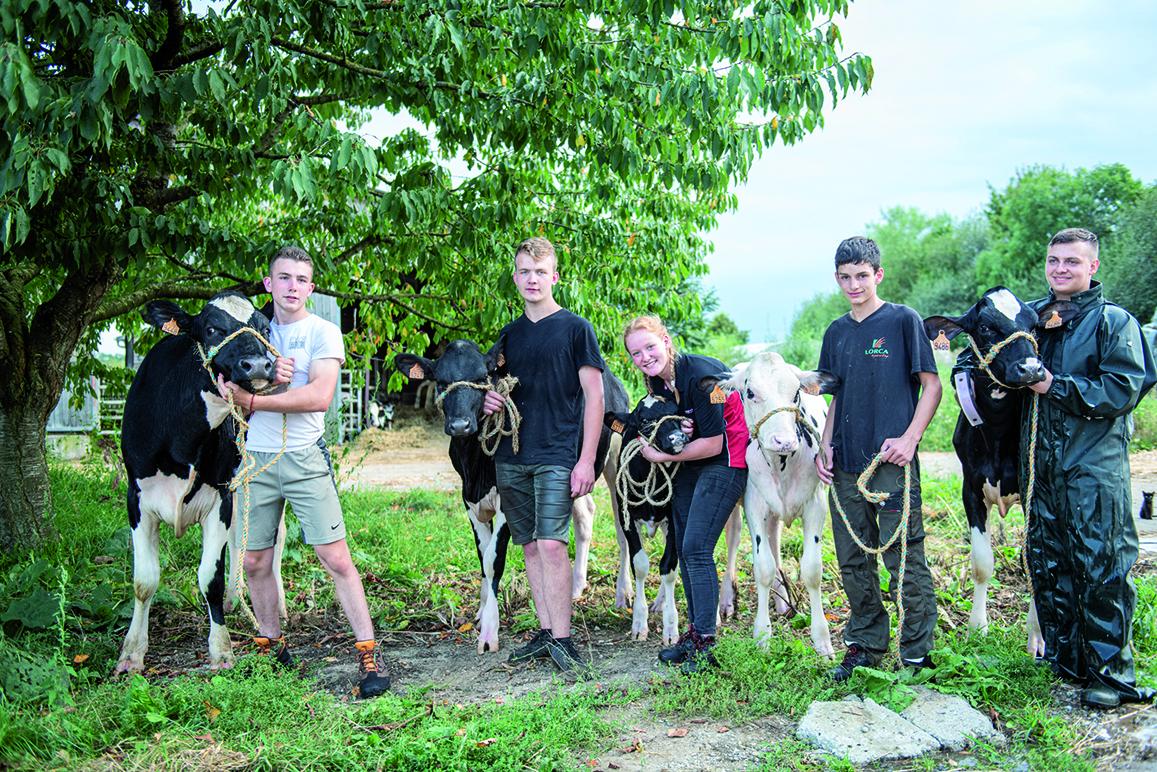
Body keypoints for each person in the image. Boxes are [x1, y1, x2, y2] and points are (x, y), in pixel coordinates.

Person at [217, 246, 390, 699]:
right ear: (268, 284)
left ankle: (369, 652)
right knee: (254, 561)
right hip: (255, 457)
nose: (292, 287)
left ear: (310, 288)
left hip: (304, 457)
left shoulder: (323, 332)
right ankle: (272, 649)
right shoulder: (252, 331)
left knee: (335, 558)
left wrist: (255, 400)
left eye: (301, 280)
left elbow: (319, 396)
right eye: (284, 278)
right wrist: (241, 387)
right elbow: (225, 379)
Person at [1021, 227, 1156, 710]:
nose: (1061, 269)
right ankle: (1069, 661)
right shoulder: (1033, 319)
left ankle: (1114, 675)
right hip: (1043, 469)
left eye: (1072, 262)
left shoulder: (1114, 322)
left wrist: (1054, 385)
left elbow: (1120, 390)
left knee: (1102, 565)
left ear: (1093, 266)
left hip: (1094, 469)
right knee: (1051, 562)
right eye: (1054, 260)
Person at [814, 236, 941, 682]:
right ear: (837, 278)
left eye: (862, 276)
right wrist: (825, 445)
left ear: (878, 275)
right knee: (852, 557)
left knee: (903, 555)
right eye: (846, 277)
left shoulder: (903, 321)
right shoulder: (835, 332)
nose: (854, 285)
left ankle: (917, 651)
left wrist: (910, 438)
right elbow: (834, 396)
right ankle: (866, 643)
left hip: (891, 461)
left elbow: (932, 386)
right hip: (846, 461)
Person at [482, 237, 605, 678]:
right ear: (515, 278)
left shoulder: (576, 329)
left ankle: (566, 641)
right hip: (512, 455)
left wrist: (586, 459)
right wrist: (489, 403)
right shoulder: (509, 336)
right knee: (530, 545)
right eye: (524, 272)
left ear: (554, 277)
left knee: (552, 544)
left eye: (540, 272)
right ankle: (547, 630)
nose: (532, 279)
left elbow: (595, 396)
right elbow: (493, 389)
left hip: (558, 453)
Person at [622, 315, 748, 673]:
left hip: (726, 460)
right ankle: (693, 635)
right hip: (690, 464)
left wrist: (661, 455)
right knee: (681, 542)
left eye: (650, 346)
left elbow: (713, 442)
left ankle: (706, 643)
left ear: (665, 340)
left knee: (696, 547)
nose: (645, 357)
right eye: (636, 353)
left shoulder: (703, 376)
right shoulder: (657, 385)